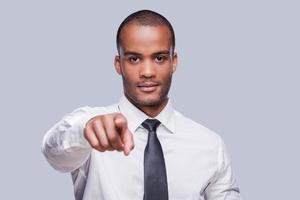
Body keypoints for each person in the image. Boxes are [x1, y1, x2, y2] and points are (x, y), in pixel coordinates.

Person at [42, 9, 241, 200]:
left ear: (174, 62)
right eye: (134, 58)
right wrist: (84, 131)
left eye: (159, 58)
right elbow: (53, 151)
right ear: (118, 64)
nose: (147, 71)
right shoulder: (93, 129)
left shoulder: (210, 145)